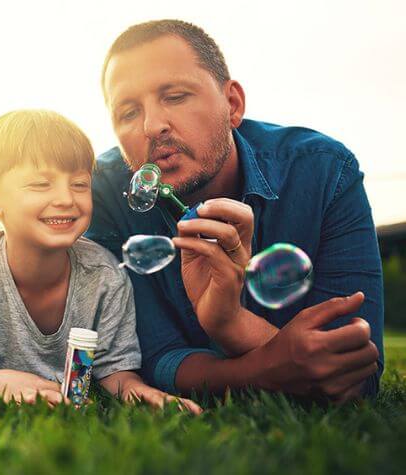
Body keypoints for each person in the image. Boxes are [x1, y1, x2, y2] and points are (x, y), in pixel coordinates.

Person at [86, 20, 383, 403]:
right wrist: (263, 368)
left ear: (233, 104)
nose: (152, 126)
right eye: (127, 112)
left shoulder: (325, 172)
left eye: (175, 96)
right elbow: (152, 356)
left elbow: (355, 375)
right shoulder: (102, 191)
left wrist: (233, 323)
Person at [0, 109, 201, 412]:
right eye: (41, 184)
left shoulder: (106, 275)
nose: (66, 199)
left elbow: (116, 374)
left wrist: (143, 394)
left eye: (80, 184)